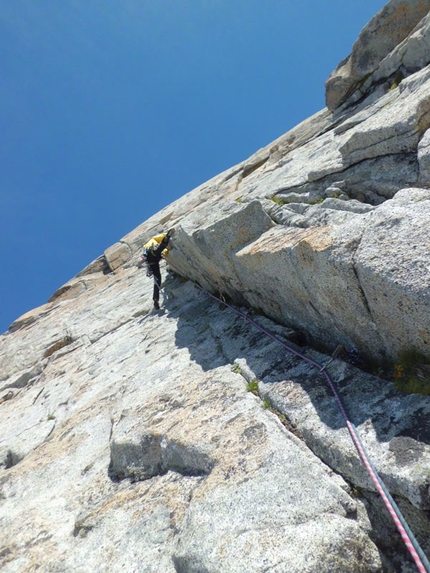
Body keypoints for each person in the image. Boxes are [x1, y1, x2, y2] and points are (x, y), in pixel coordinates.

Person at [142, 230, 172, 309]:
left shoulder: (146, 246)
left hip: (152, 262)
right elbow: (162, 238)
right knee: (157, 252)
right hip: (153, 255)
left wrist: (164, 253)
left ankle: (156, 298)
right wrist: (167, 236)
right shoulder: (153, 240)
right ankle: (166, 239)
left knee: (157, 279)